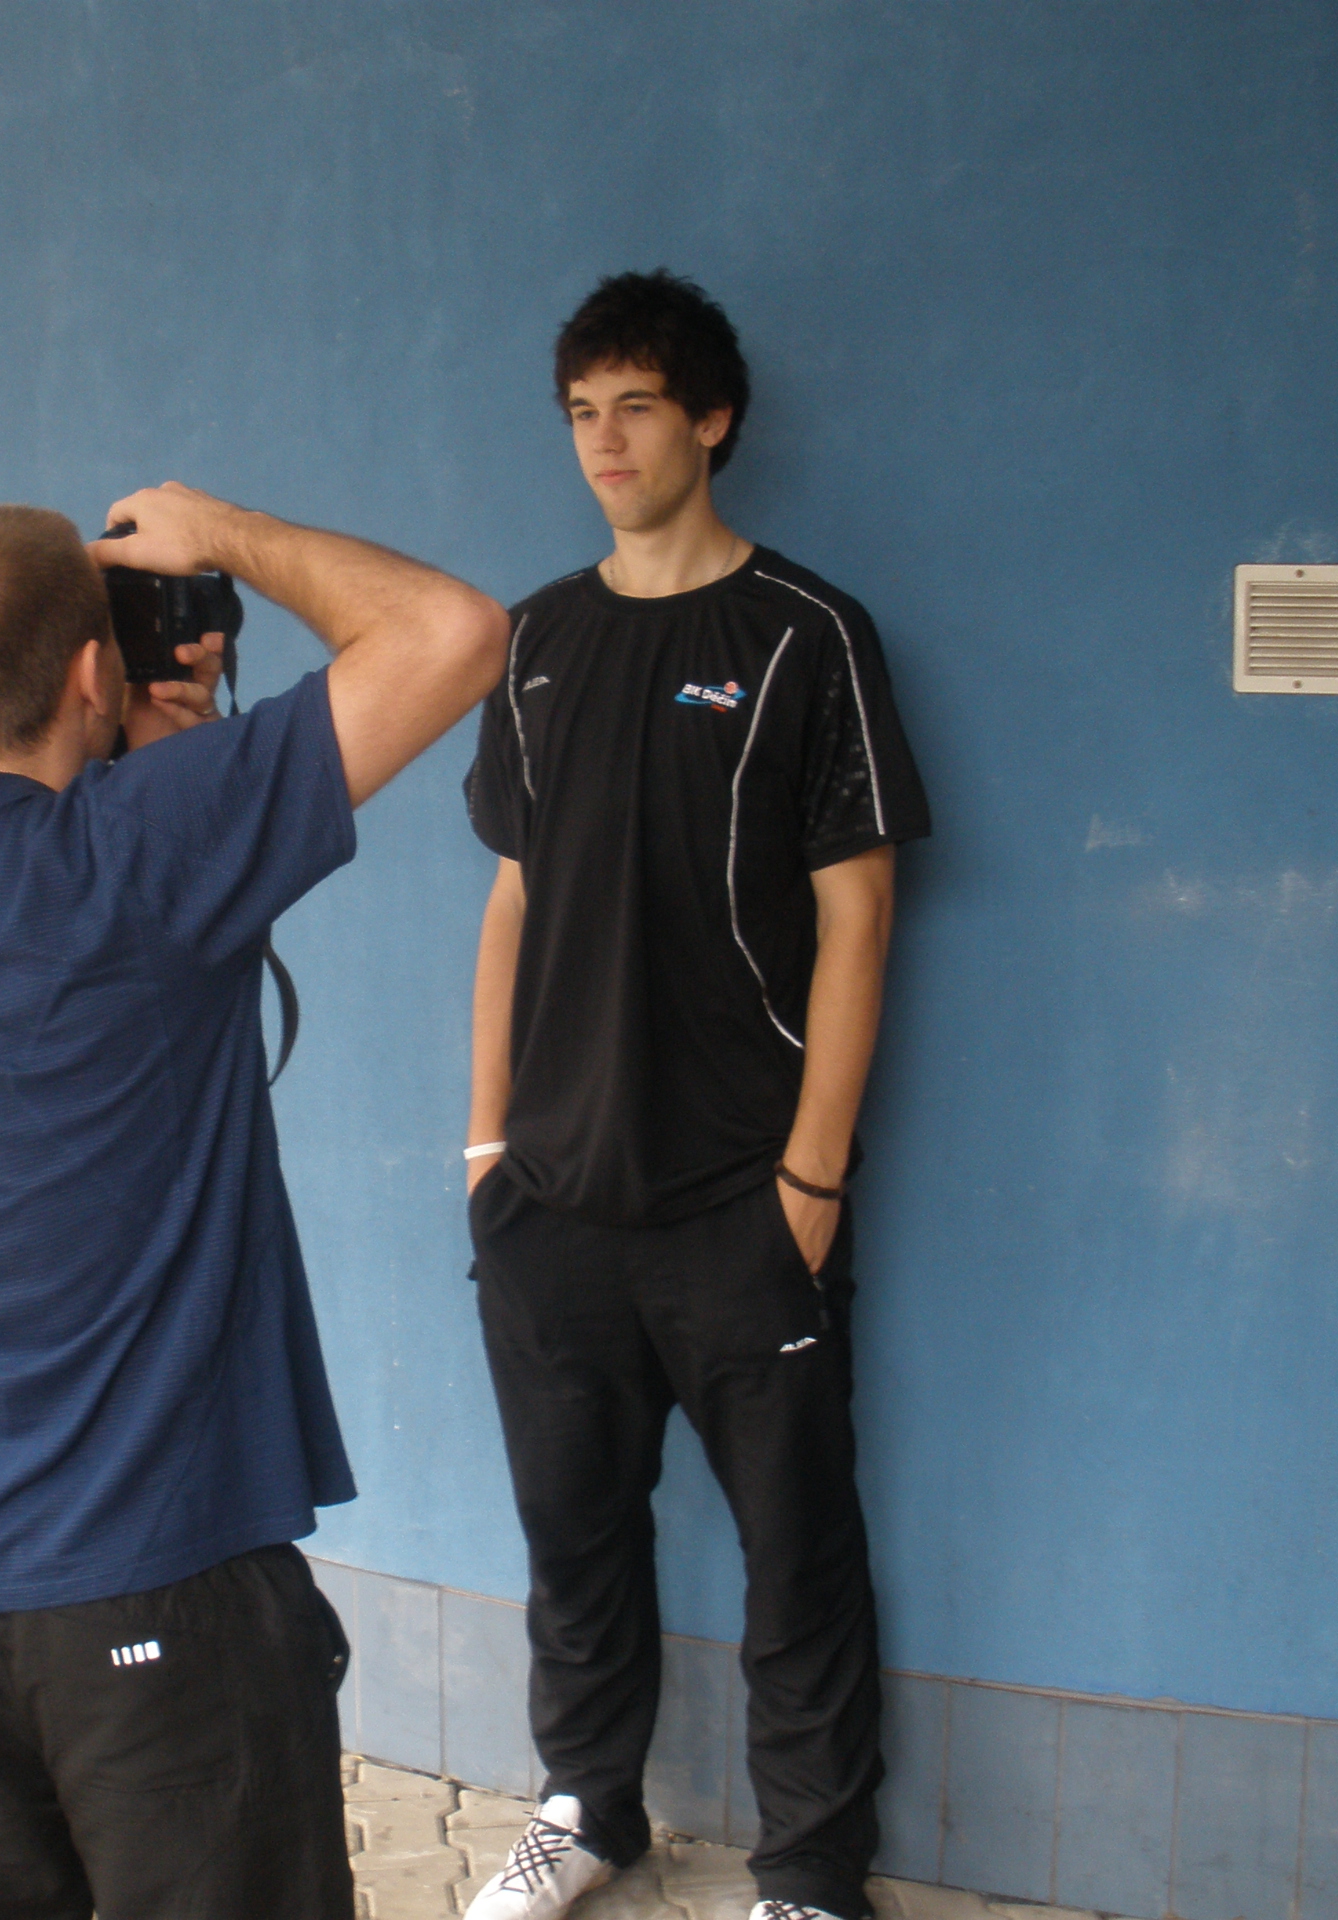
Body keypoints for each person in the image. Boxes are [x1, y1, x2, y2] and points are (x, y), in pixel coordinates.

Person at [0, 487, 508, 1920]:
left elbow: (39, 886)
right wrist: (214, 533)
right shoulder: (140, 855)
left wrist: (130, 752)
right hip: (156, 1591)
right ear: (89, 671)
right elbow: (454, 632)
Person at [458, 271, 932, 1920]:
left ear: (713, 421)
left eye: (639, 408)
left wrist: (812, 1181)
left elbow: (863, 915)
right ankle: (587, 1810)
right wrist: (486, 1143)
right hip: (553, 1207)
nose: (606, 441)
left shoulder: (808, 635)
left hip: (743, 1201)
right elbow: (514, 899)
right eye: (582, 413)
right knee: (574, 1542)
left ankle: (810, 1872)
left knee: (798, 1555)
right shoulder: (535, 641)